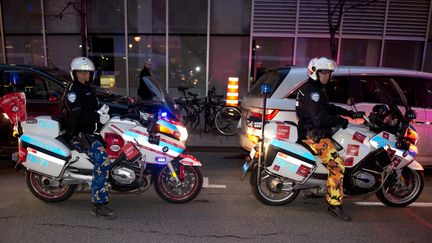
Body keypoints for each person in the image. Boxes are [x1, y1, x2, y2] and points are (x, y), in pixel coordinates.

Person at [295, 57, 363, 221]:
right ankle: (334, 205)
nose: (327, 76)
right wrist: (341, 120)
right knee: (337, 166)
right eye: (324, 72)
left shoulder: (316, 89)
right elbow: (319, 119)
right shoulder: (313, 92)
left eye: (328, 73)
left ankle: (319, 188)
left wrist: (349, 113)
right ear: (314, 73)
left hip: (315, 132)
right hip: (314, 136)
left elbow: (328, 108)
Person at [61, 57, 115, 219]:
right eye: (81, 72)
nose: (85, 76)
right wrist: (97, 117)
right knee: (102, 161)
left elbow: (94, 106)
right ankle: (98, 205)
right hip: (79, 134)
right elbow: (77, 116)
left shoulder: (88, 89)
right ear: (74, 73)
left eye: (87, 73)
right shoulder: (73, 92)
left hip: (91, 133)